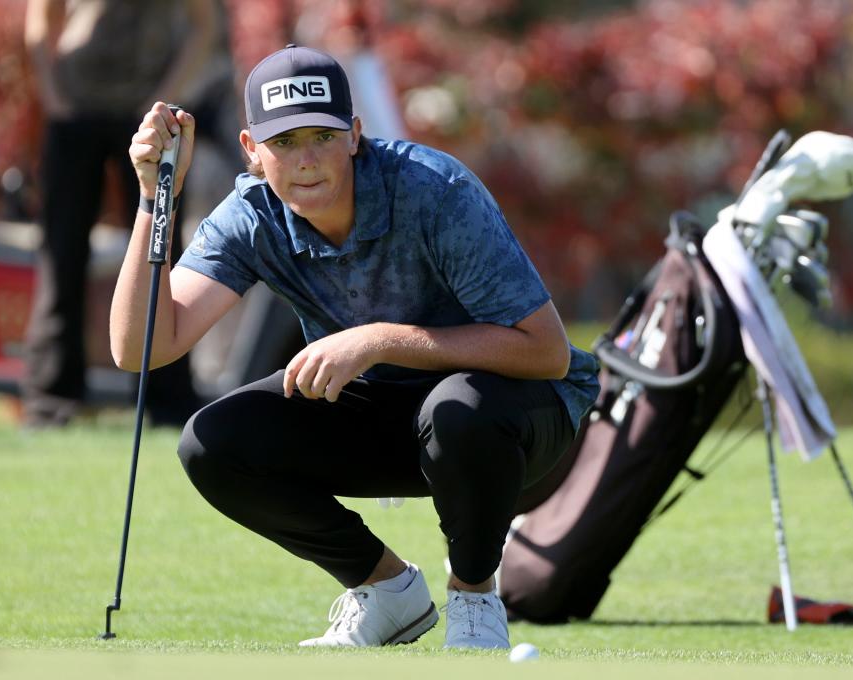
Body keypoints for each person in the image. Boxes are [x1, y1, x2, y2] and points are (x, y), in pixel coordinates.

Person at [111, 45, 600, 649]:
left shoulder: (433, 190)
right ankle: (387, 591)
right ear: (251, 151)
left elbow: (547, 353)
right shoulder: (251, 215)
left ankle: (475, 599)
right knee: (213, 444)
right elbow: (140, 349)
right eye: (285, 143)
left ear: (355, 136)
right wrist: (153, 199)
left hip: (516, 418)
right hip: (390, 418)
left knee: (457, 410)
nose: (306, 160)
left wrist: (374, 341)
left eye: (322, 136)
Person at [21, 0, 230, 427]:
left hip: (147, 112)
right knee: (61, 252)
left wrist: (168, 96)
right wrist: (55, 100)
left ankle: (169, 399)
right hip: (75, 108)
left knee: (162, 248)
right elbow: (40, 23)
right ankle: (51, 399)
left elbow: (203, 27)